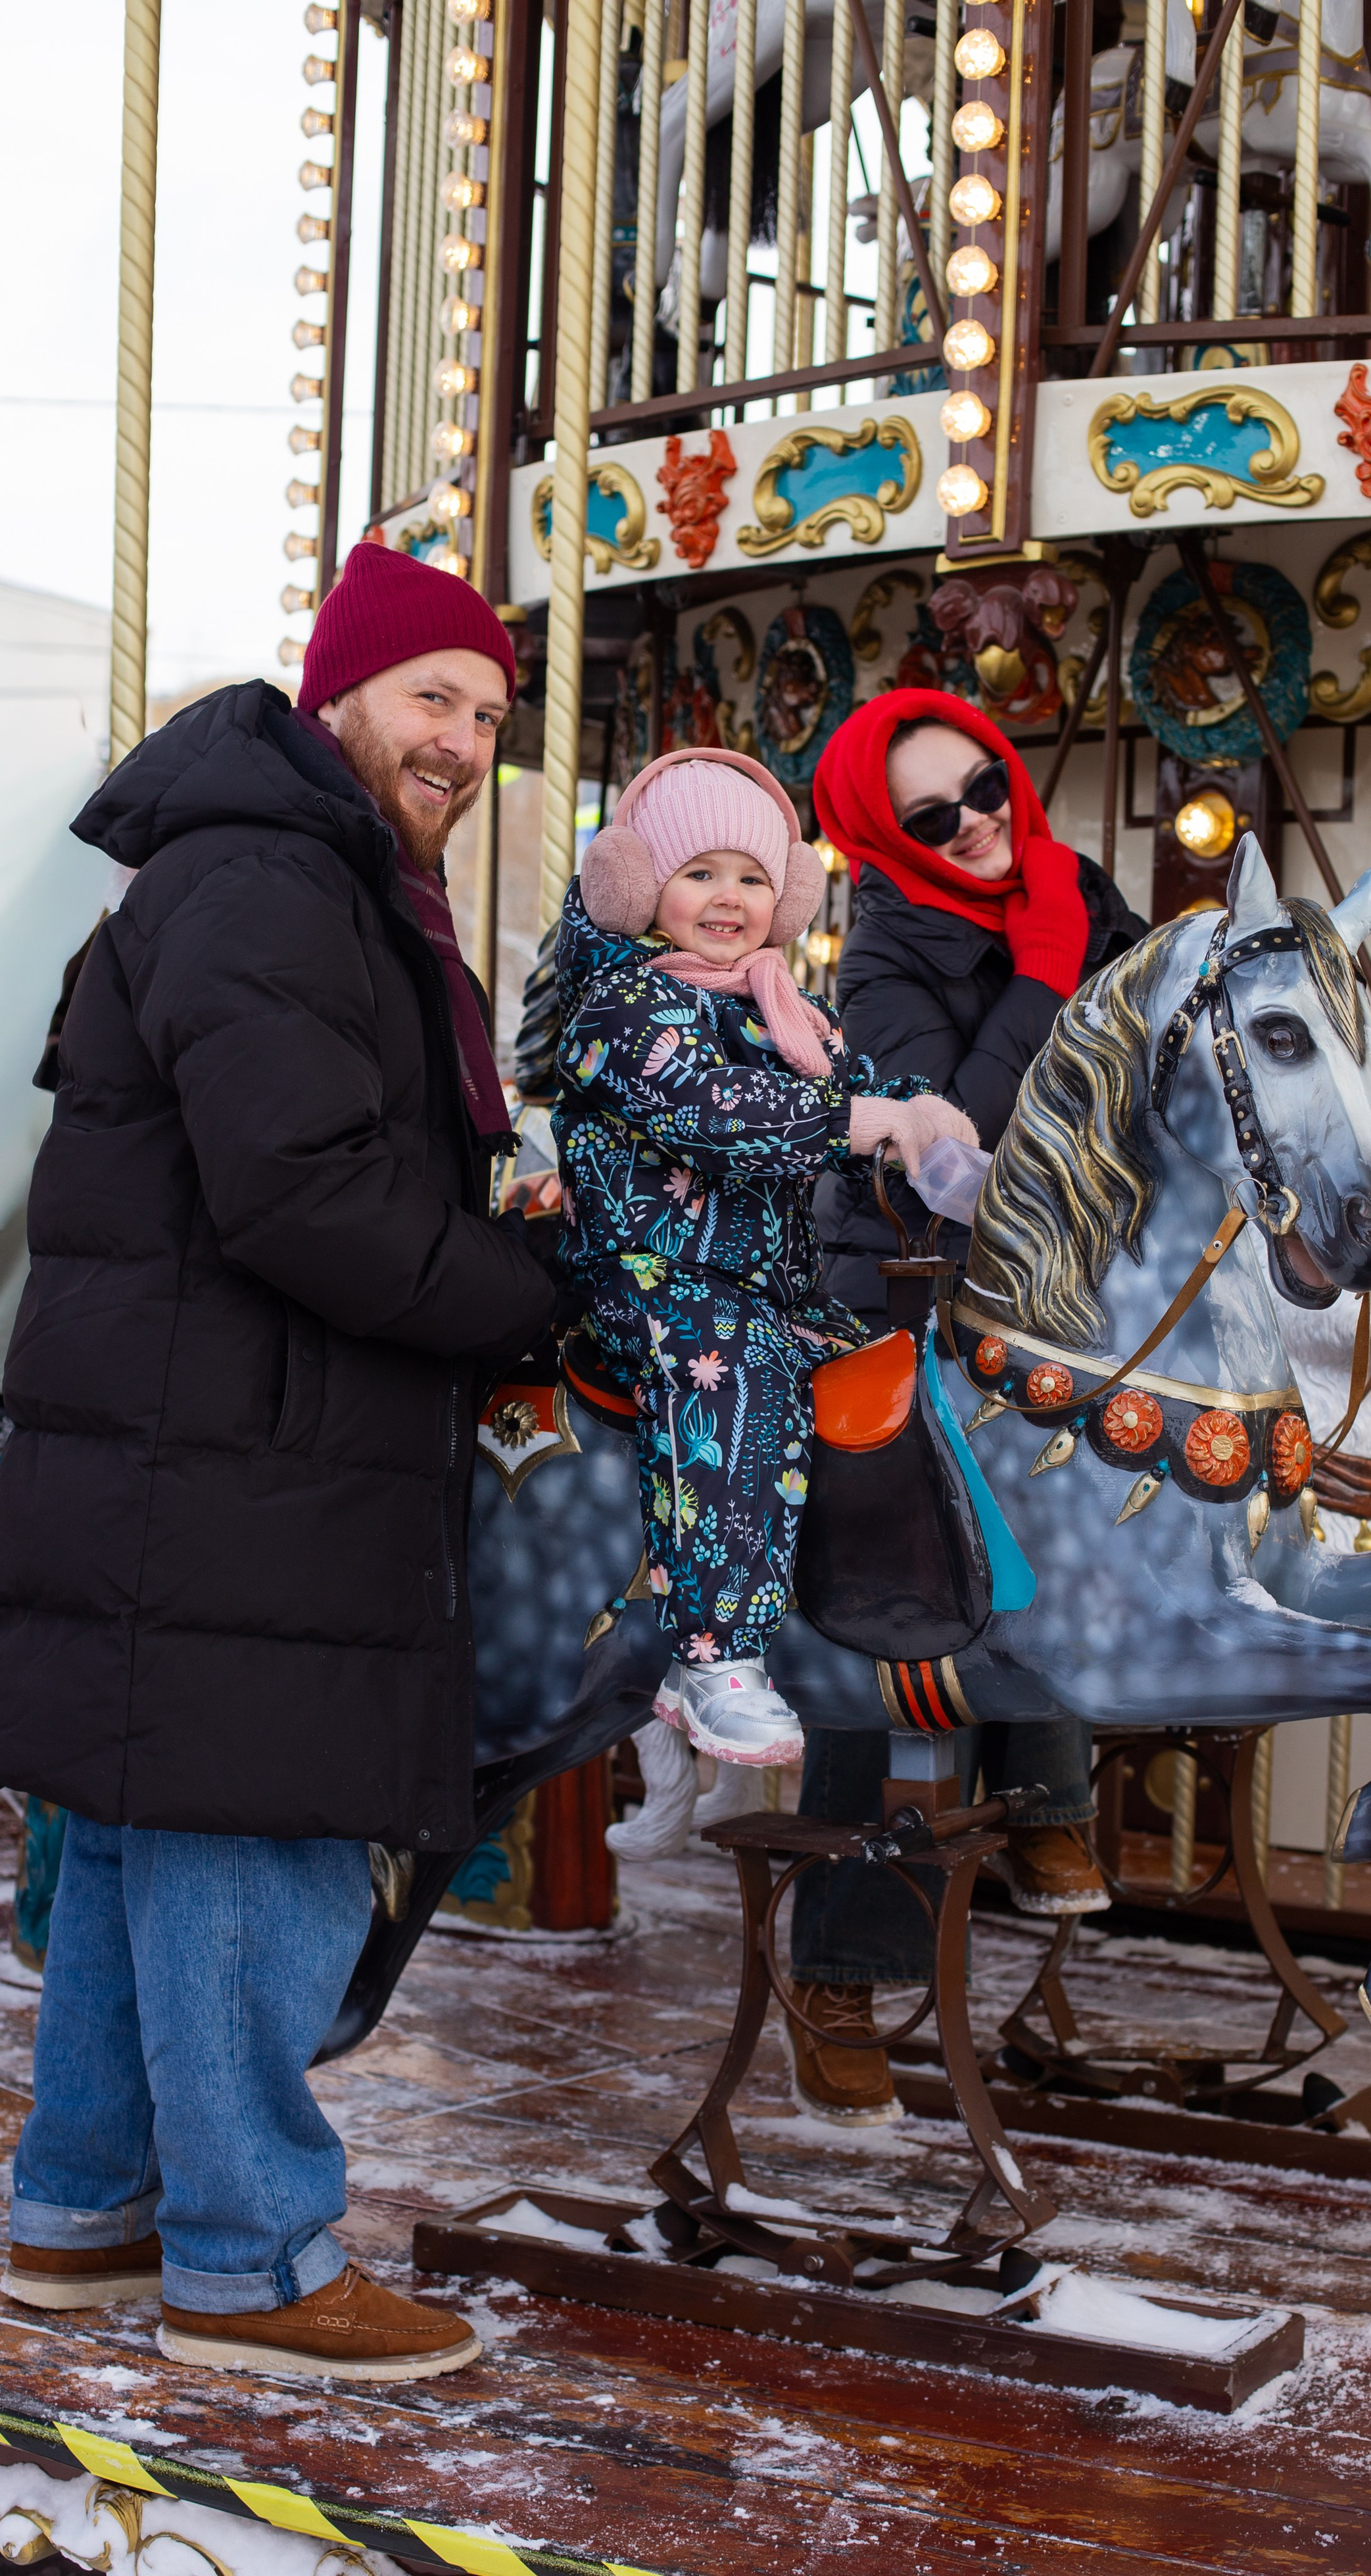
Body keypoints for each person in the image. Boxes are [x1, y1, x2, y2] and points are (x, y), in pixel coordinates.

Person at [0, 541, 565, 2379]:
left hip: (210, 1440)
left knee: (153, 1836)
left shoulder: (280, 870)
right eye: (434, 698)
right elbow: (304, 1191)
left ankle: (80, 2211)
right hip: (247, 1453)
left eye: (488, 713)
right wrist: (531, 1294)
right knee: (260, 1830)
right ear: (341, 692)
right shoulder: (270, 880)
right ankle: (254, 2258)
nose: (465, 740)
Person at [782, 688, 1149, 2124]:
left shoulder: (1075, 889)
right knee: (884, 1596)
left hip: (1049, 1280)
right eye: (934, 816)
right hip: (897, 1279)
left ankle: (1047, 1782)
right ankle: (841, 1969)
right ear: (889, 837)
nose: (978, 824)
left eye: (985, 786)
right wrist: (1047, 975)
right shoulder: (884, 954)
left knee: (1095, 1492)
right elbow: (947, 1137)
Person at [553, 746, 976, 1768]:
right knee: (734, 1376)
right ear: (637, 883)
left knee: (883, 1374)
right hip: (649, 1276)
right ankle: (714, 1655)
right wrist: (867, 1118)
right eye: (700, 873)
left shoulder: (784, 1008)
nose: (729, 899)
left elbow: (858, 1085)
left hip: (763, 1284)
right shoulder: (622, 1007)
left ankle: (857, 1624)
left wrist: (932, 1128)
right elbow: (716, 1113)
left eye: (751, 876)